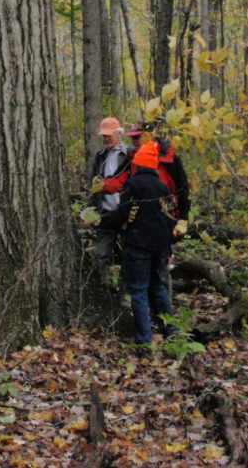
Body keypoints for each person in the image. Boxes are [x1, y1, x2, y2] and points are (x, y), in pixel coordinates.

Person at [99, 141, 175, 349]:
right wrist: (168, 248)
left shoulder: (133, 185)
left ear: (139, 164)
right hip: (160, 247)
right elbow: (170, 219)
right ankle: (173, 332)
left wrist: (101, 221)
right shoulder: (161, 186)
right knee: (158, 288)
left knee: (139, 291)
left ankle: (144, 340)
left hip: (138, 245)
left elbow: (122, 213)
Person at [99, 121, 190, 228]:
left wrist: (183, 218)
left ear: (149, 136)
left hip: (166, 216)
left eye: (137, 137)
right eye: (132, 138)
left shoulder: (169, 158)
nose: (134, 142)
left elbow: (182, 189)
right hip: (140, 218)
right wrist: (102, 186)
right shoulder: (132, 158)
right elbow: (119, 180)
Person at [88, 117, 135, 277]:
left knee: (129, 257)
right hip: (105, 214)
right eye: (104, 135)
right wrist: (92, 210)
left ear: (118, 133)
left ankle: (125, 294)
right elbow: (94, 186)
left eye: (109, 135)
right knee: (101, 255)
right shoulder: (100, 156)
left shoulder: (130, 154)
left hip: (126, 214)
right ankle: (103, 289)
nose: (106, 138)